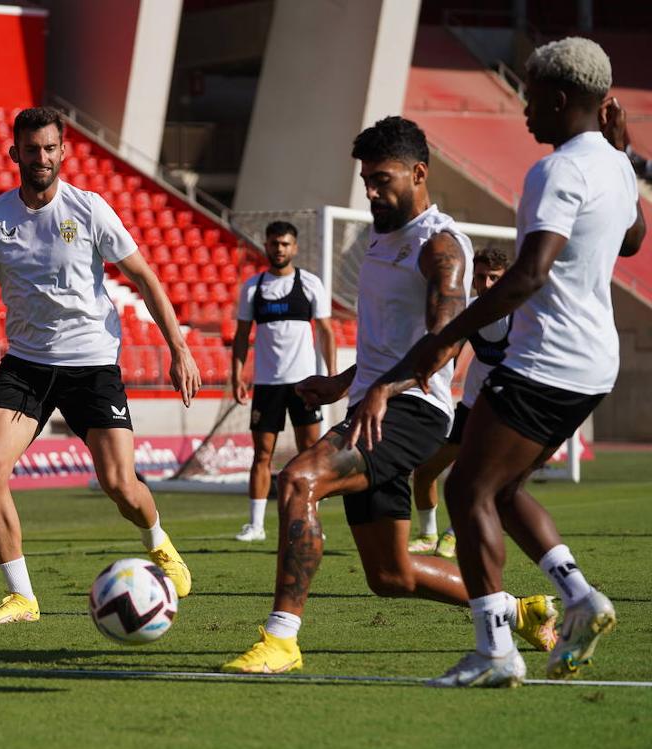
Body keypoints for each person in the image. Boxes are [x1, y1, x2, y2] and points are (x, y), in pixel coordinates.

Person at [220, 116, 556, 674]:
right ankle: (517, 611)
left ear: (418, 172)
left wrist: (385, 387)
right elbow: (388, 345)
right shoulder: (382, 239)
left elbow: (443, 341)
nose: (372, 191)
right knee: (390, 575)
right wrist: (344, 382)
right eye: (366, 180)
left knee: (299, 479)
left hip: (413, 410)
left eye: (382, 179)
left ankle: (281, 640)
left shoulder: (440, 246)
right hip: (374, 405)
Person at [411, 38, 645, 687]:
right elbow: (632, 238)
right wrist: (625, 157)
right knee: (503, 491)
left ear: (562, 99)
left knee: (465, 489)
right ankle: (580, 597)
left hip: (550, 359)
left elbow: (526, 276)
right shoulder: (617, 165)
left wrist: (444, 338)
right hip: (594, 363)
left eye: (532, 96)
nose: (524, 110)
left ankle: (495, 651)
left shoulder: (557, 171)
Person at [0, 107, 202, 624]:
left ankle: (157, 540)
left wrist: (178, 348)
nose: (42, 158)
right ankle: (22, 596)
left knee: (120, 484)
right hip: (27, 366)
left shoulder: (90, 210)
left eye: (50, 148)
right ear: (15, 154)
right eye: (32, 149)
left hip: (92, 362)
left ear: (63, 152)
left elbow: (143, 276)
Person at [230, 221, 335, 542]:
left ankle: (310, 519)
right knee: (262, 454)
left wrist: (330, 378)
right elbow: (241, 336)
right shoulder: (253, 288)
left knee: (310, 453)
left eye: (285, 244)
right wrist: (237, 374)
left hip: (305, 385)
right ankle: (256, 525)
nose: (280, 249)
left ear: (295, 247)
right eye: (274, 243)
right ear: (266, 245)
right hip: (266, 385)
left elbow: (326, 332)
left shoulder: (311, 284)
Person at [408, 246, 513, 559]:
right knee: (426, 471)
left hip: (508, 411)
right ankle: (428, 535)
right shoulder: (470, 310)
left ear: (506, 279)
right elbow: (450, 346)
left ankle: (454, 534)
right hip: (471, 408)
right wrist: (423, 370)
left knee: (474, 478)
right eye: (481, 277)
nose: (488, 284)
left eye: (495, 278)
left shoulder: (522, 314)